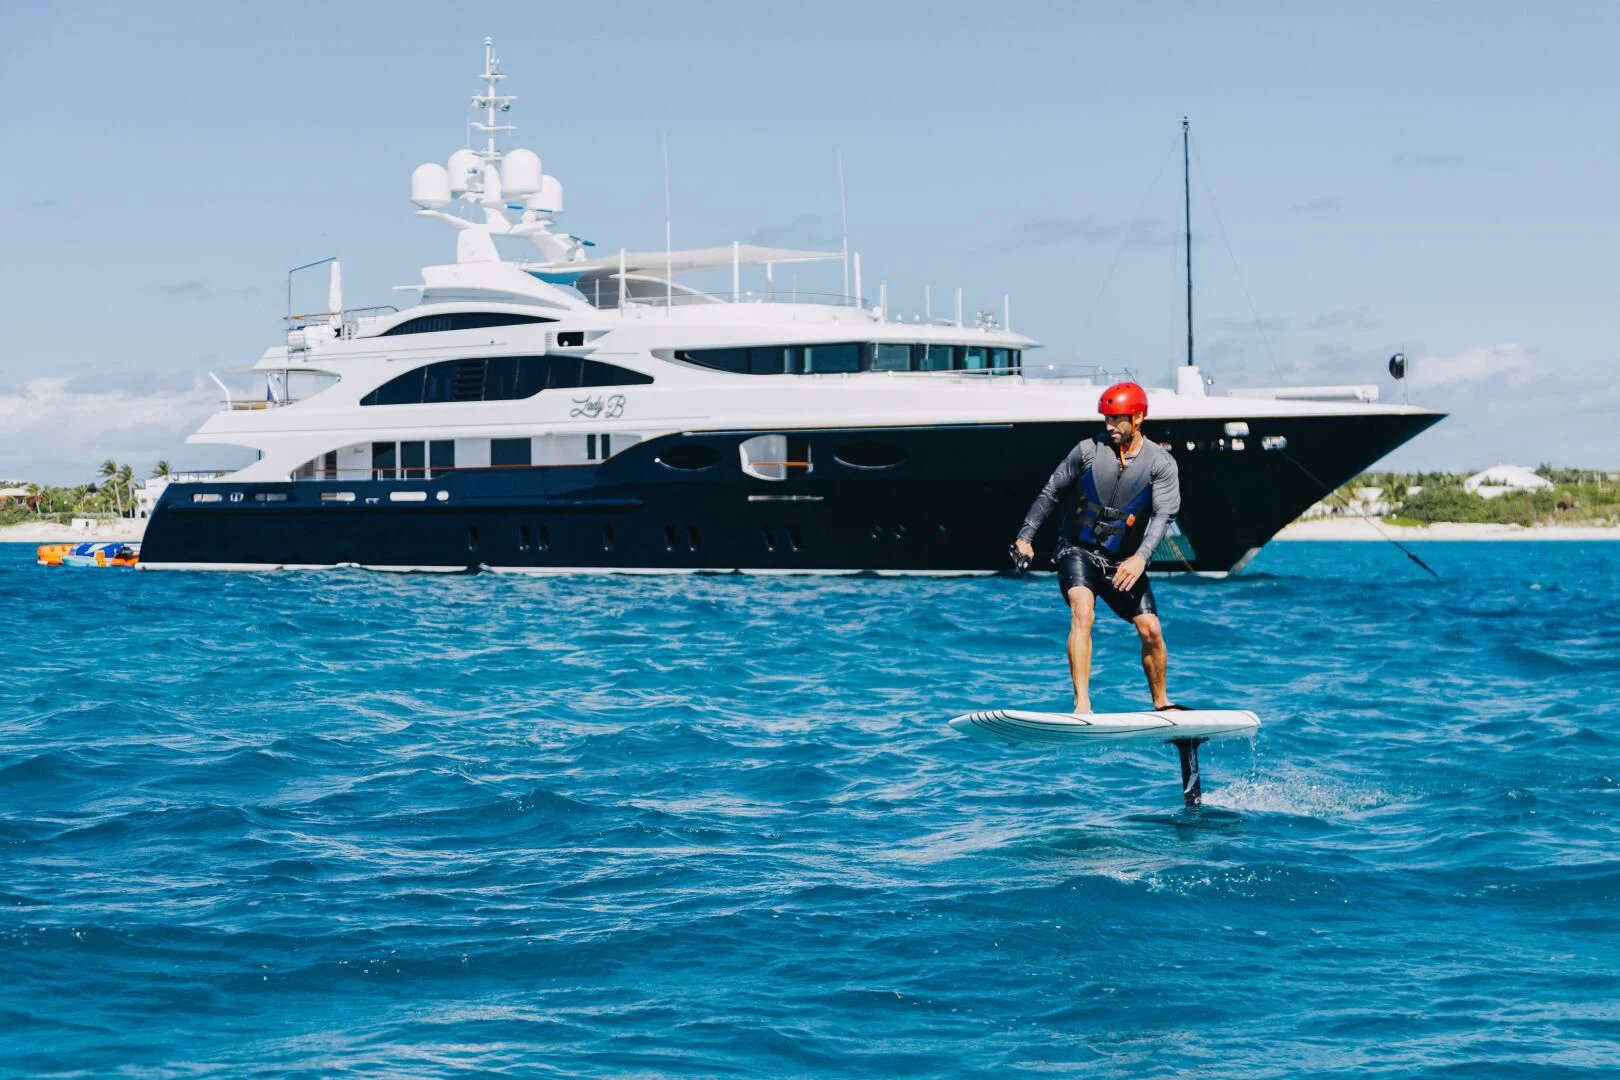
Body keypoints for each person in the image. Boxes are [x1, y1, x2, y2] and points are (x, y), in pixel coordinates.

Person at [1011, 381, 1182, 714]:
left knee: (1151, 630)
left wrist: (1140, 559)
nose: (1108, 426)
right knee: (1083, 612)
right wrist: (1025, 536)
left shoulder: (1160, 463)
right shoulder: (1087, 451)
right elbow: (1050, 492)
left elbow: (1162, 517)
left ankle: (1162, 703)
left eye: (1116, 419)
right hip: (1077, 551)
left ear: (1138, 418)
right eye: (1105, 418)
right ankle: (1083, 705)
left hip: (1123, 560)